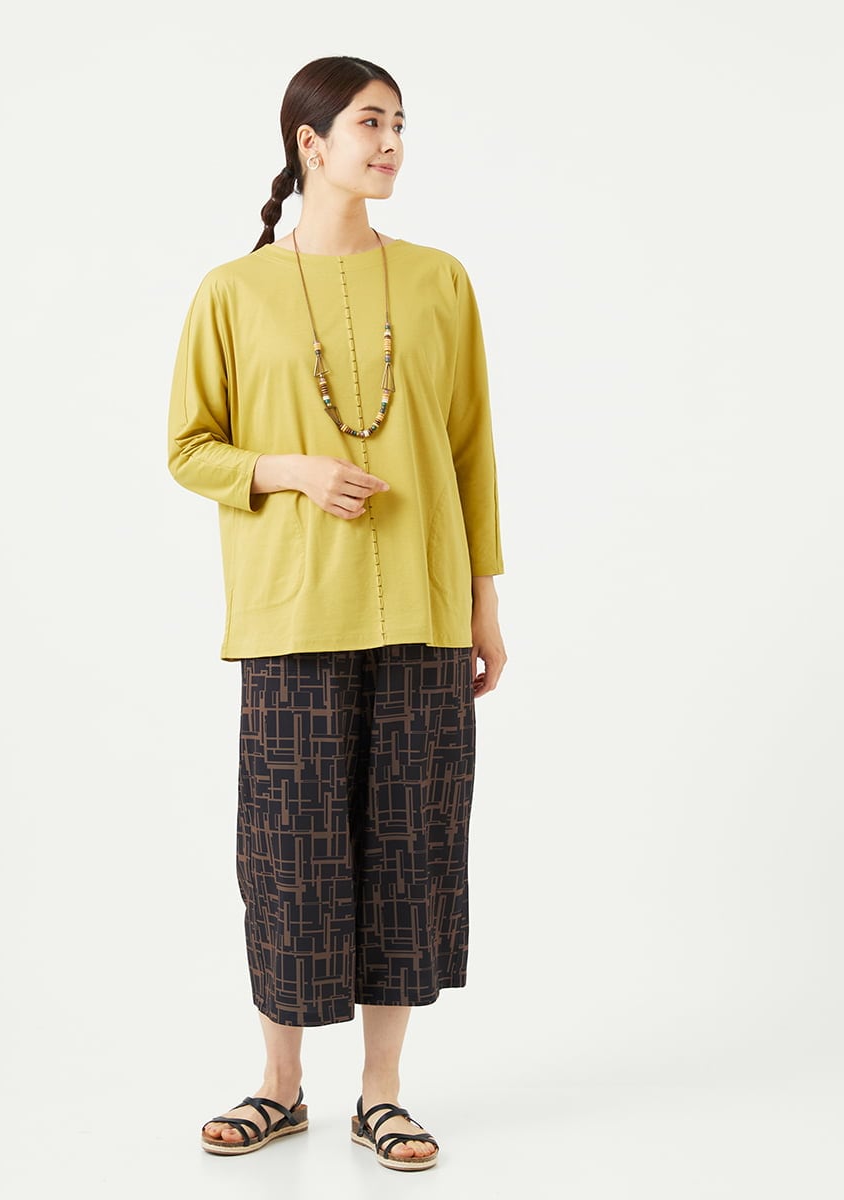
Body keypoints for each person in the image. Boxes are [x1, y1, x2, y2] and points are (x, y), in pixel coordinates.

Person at [166, 55, 506, 1173]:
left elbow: (471, 453)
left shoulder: (441, 280)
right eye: (370, 123)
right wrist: (289, 471)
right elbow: (190, 447)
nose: (392, 143)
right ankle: (280, 1085)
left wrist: (483, 603)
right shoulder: (233, 290)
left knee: (410, 845)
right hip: (292, 614)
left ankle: (383, 1094)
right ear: (310, 143)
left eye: (400, 123)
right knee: (289, 849)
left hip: (424, 608)